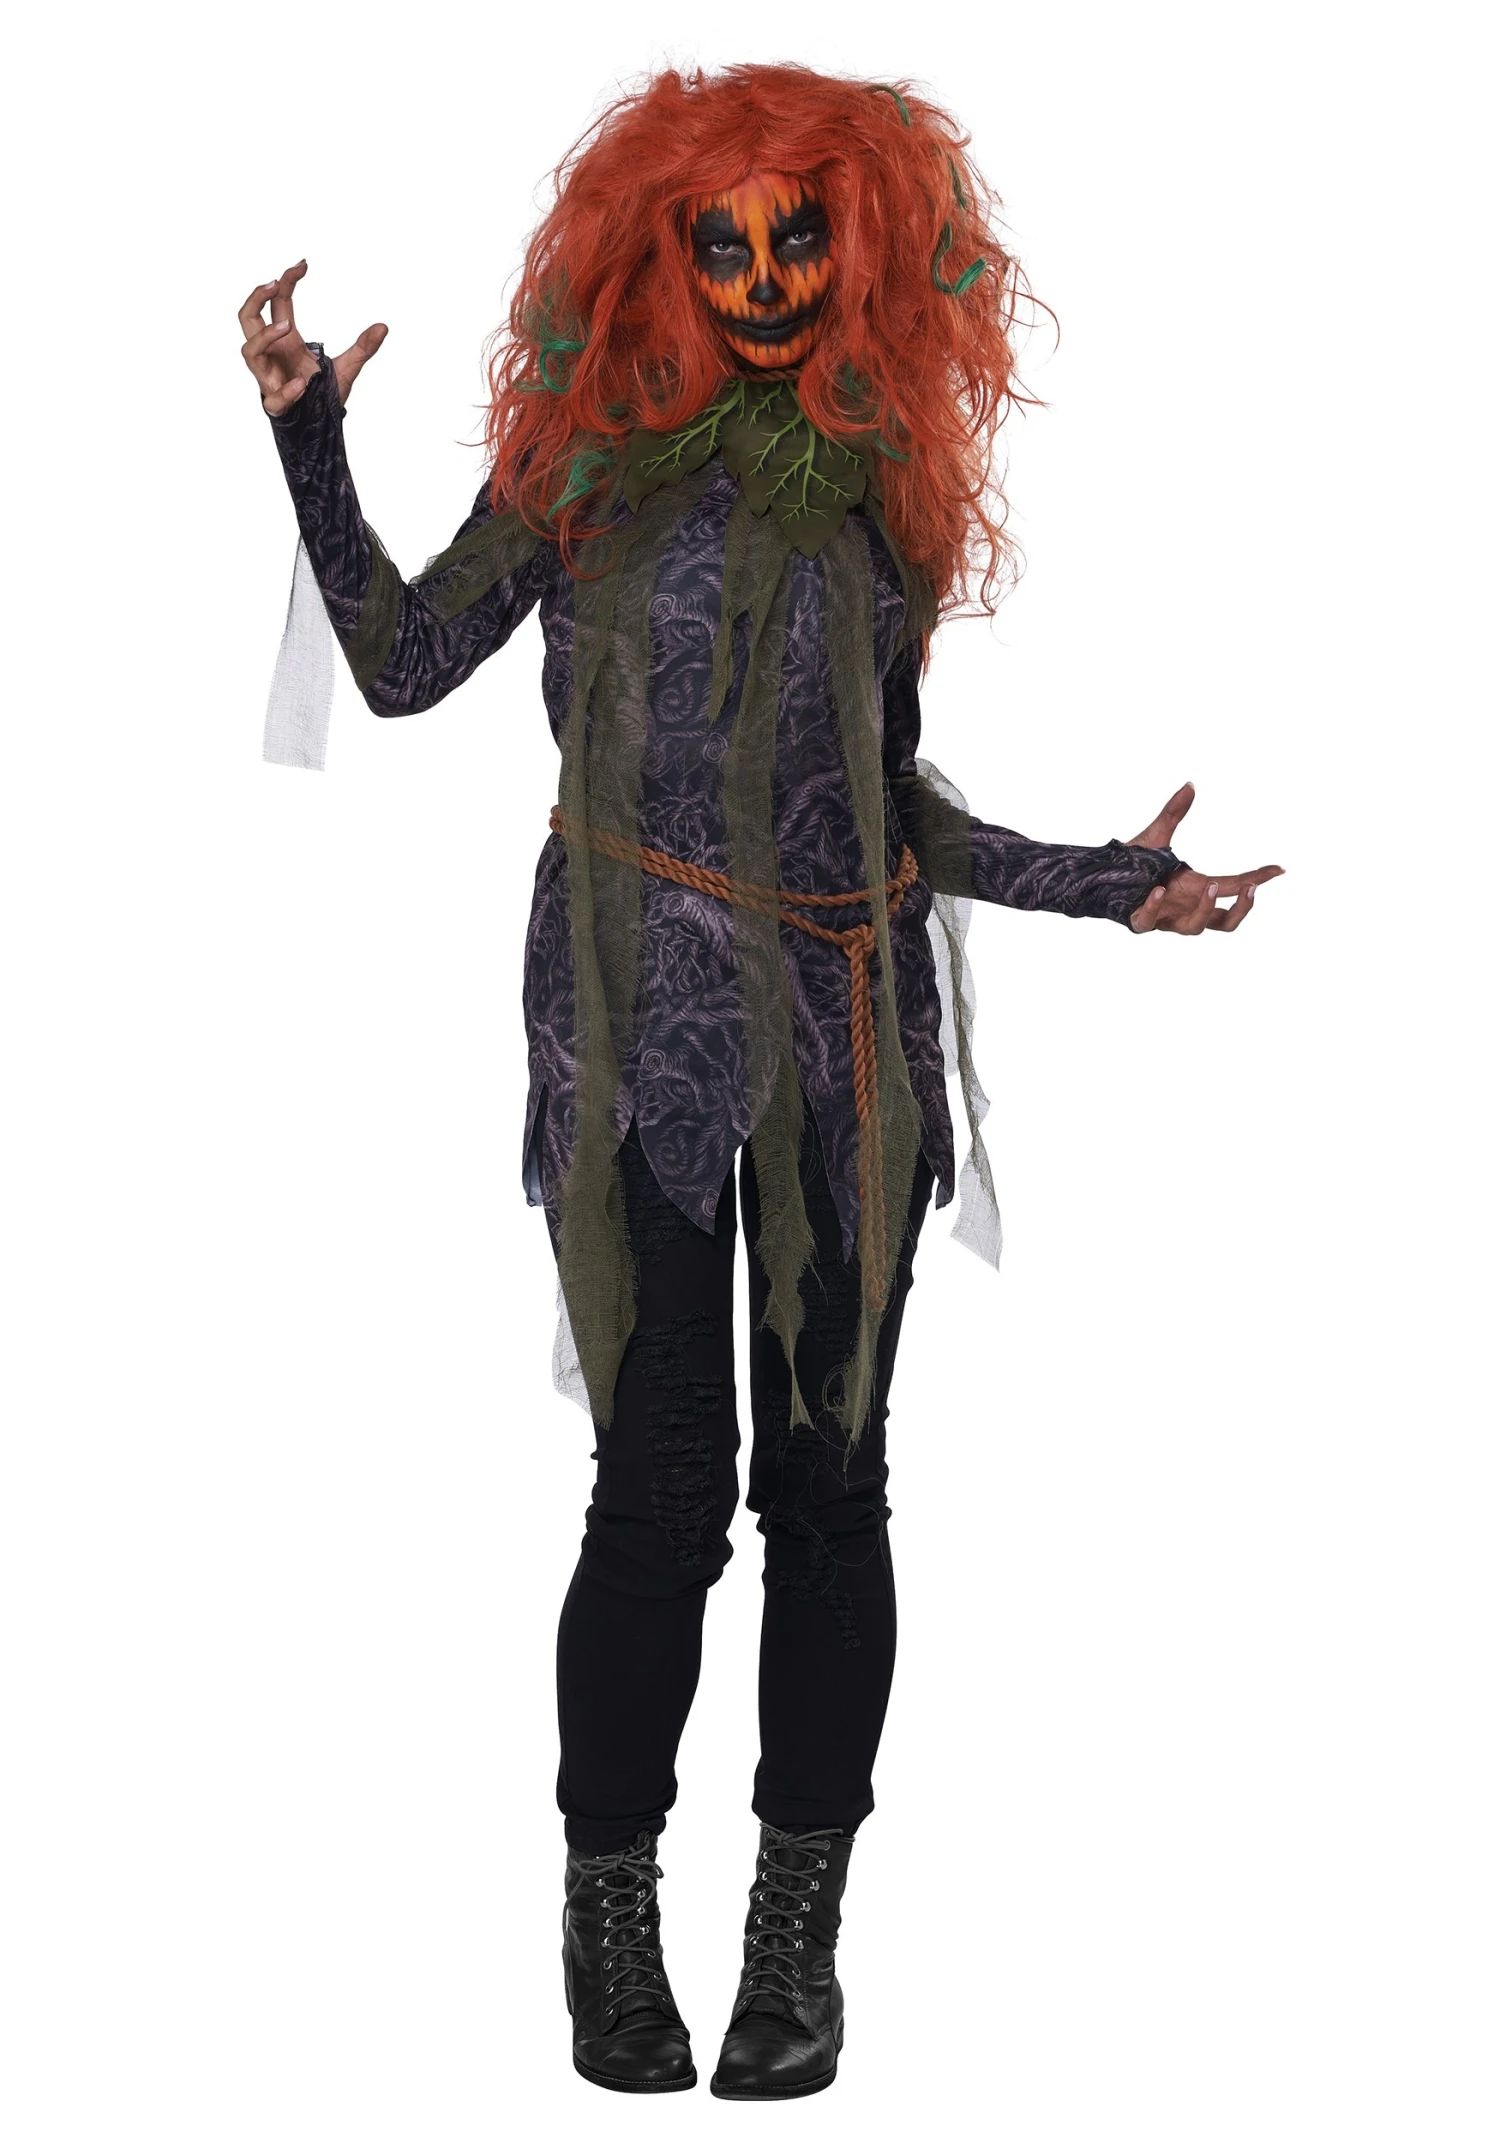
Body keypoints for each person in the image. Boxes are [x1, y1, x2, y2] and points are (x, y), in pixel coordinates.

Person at [239, 63, 1281, 2100]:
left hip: (845, 1043)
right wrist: (307, 443)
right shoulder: (581, 476)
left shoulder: (873, 487)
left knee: (830, 1487)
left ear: (863, 246)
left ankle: (795, 1942)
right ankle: (608, 1919)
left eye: (801, 234)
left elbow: (881, 812)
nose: (766, 273)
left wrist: (1107, 884)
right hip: (638, 1027)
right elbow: (401, 664)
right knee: (660, 1489)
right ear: (655, 254)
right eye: (720, 241)